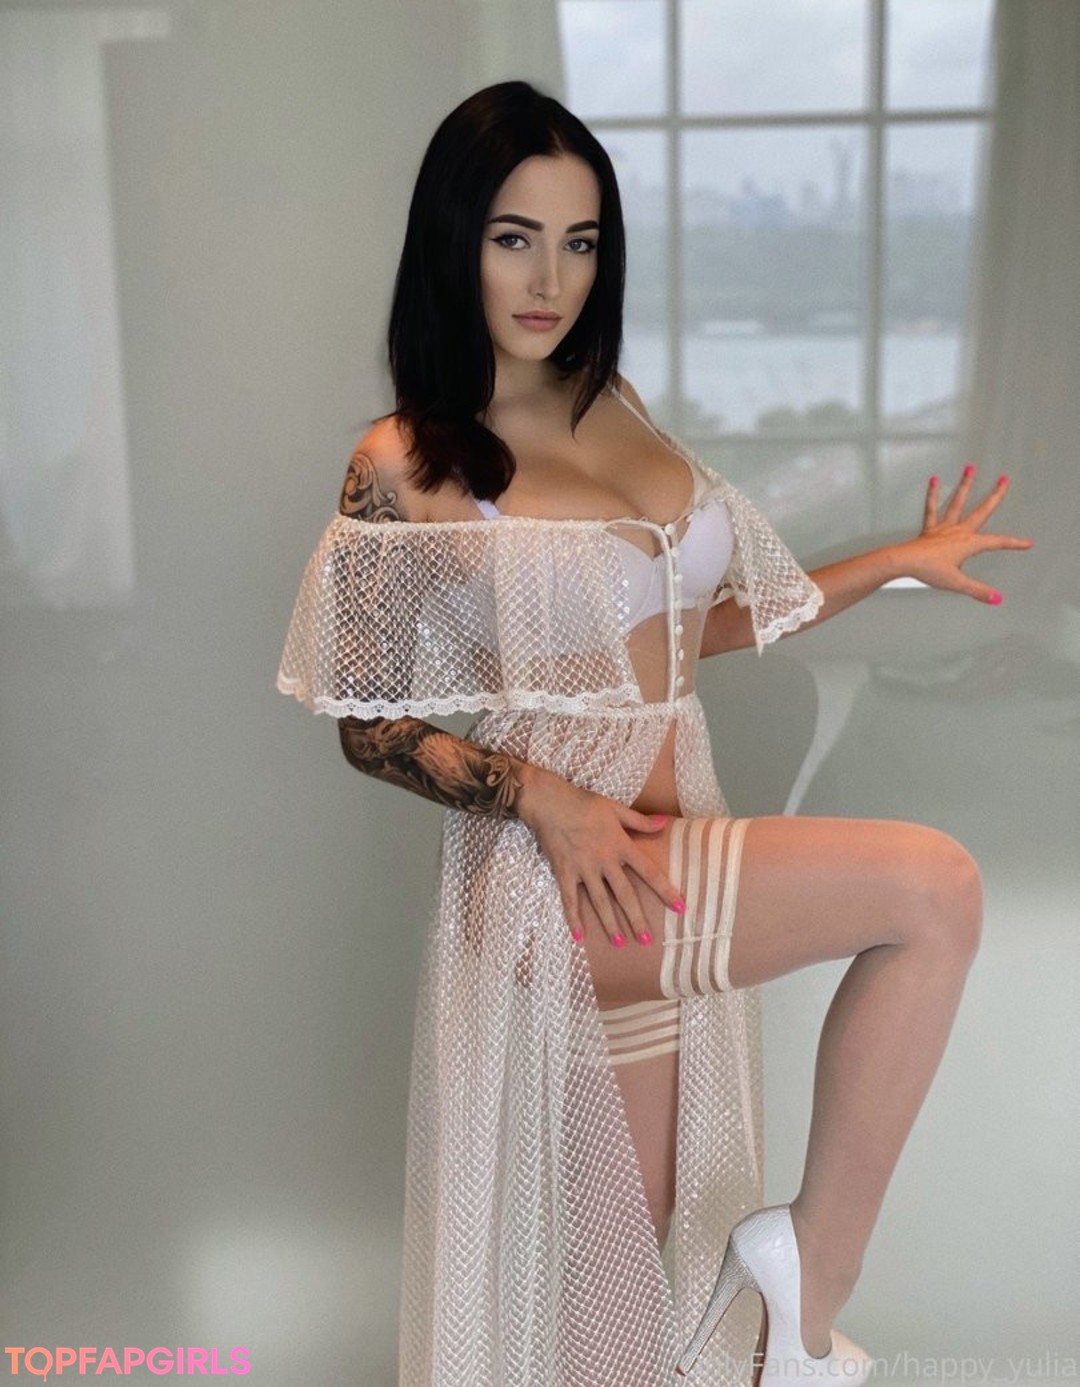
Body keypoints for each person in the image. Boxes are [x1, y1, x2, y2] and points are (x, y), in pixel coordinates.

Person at [276, 81, 1032, 1386]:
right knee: (932, 888)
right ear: (454, 239)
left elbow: (688, 636)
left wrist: (896, 561)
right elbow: (367, 722)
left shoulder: (612, 402)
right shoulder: (403, 460)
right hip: (566, 878)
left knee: (630, 1283)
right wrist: (544, 798)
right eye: (514, 237)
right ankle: (808, 1293)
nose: (549, 278)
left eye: (580, 242)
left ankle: (765, 1311)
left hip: (665, 855)